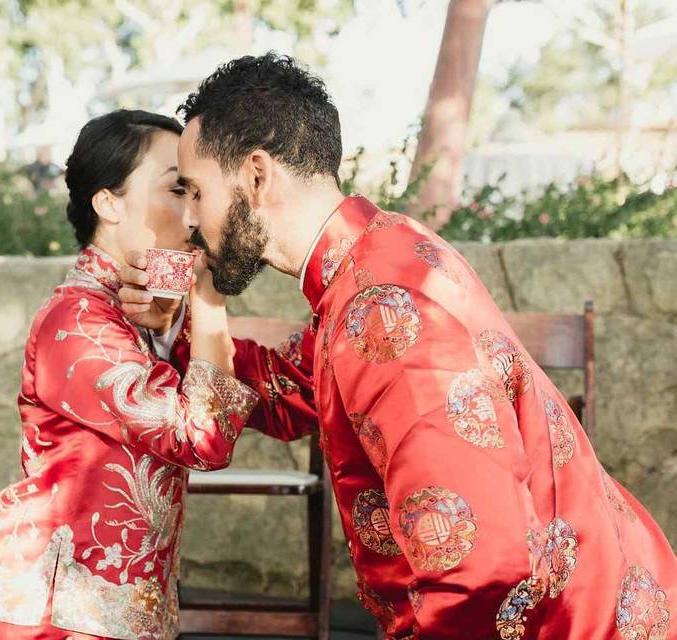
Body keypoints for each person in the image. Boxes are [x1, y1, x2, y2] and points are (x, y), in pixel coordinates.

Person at [118, 54, 676, 639]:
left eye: (197, 191)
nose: (189, 218)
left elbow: (479, 566)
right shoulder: (371, 259)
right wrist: (178, 325)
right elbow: (290, 393)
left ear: (256, 177)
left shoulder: (381, 305)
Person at [0, 109, 314, 640]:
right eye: (179, 189)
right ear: (109, 203)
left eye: (195, 191)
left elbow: (289, 396)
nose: (196, 214)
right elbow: (200, 440)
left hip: (126, 612)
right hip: (57, 613)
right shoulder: (76, 325)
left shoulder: (159, 325)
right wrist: (206, 298)